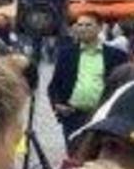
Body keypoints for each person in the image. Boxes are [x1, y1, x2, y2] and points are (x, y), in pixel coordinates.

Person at [49, 12, 128, 146]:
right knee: (74, 155)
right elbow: (54, 85)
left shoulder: (116, 56)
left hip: (103, 116)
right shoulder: (66, 54)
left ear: (99, 28)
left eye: (88, 25)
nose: (83, 28)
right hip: (73, 116)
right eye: (79, 25)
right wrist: (57, 104)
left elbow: (123, 86)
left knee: (98, 156)